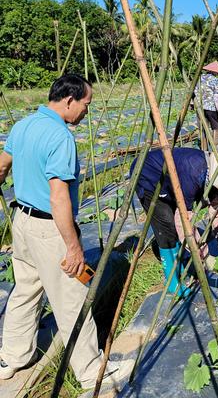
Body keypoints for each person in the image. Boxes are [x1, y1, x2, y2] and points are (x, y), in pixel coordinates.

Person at [0, 74, 132, 388]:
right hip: (49, 229)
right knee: (72, 298)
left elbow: (2, 166)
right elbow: (59, 197)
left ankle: (12, 358)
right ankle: (90, 372)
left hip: (22, 221)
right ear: (69, 101)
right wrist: (73, 247)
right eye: (86, 104)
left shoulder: (23, 125)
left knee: (25, 290)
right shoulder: (60, 138)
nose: (87, 111)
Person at [131, 147, 218, 296]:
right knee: (166, 226)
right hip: (148, 176)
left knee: (173, 222)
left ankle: (180, 262)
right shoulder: (194, 172)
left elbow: (217, 209)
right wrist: (205, 256)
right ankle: (172, 279)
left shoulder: (216, 178)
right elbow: (184, 221)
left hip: (172, 180)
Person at [194, 61, 218, 147]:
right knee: (216, 127)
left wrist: (192, 104)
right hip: (211, 107)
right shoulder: (215, 80)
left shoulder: (199, 78)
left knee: (203, 128)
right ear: (215, 71)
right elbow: (216, 96)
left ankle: (204, 148)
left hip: (199, 107)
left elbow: (194, 91)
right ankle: (215, 147)